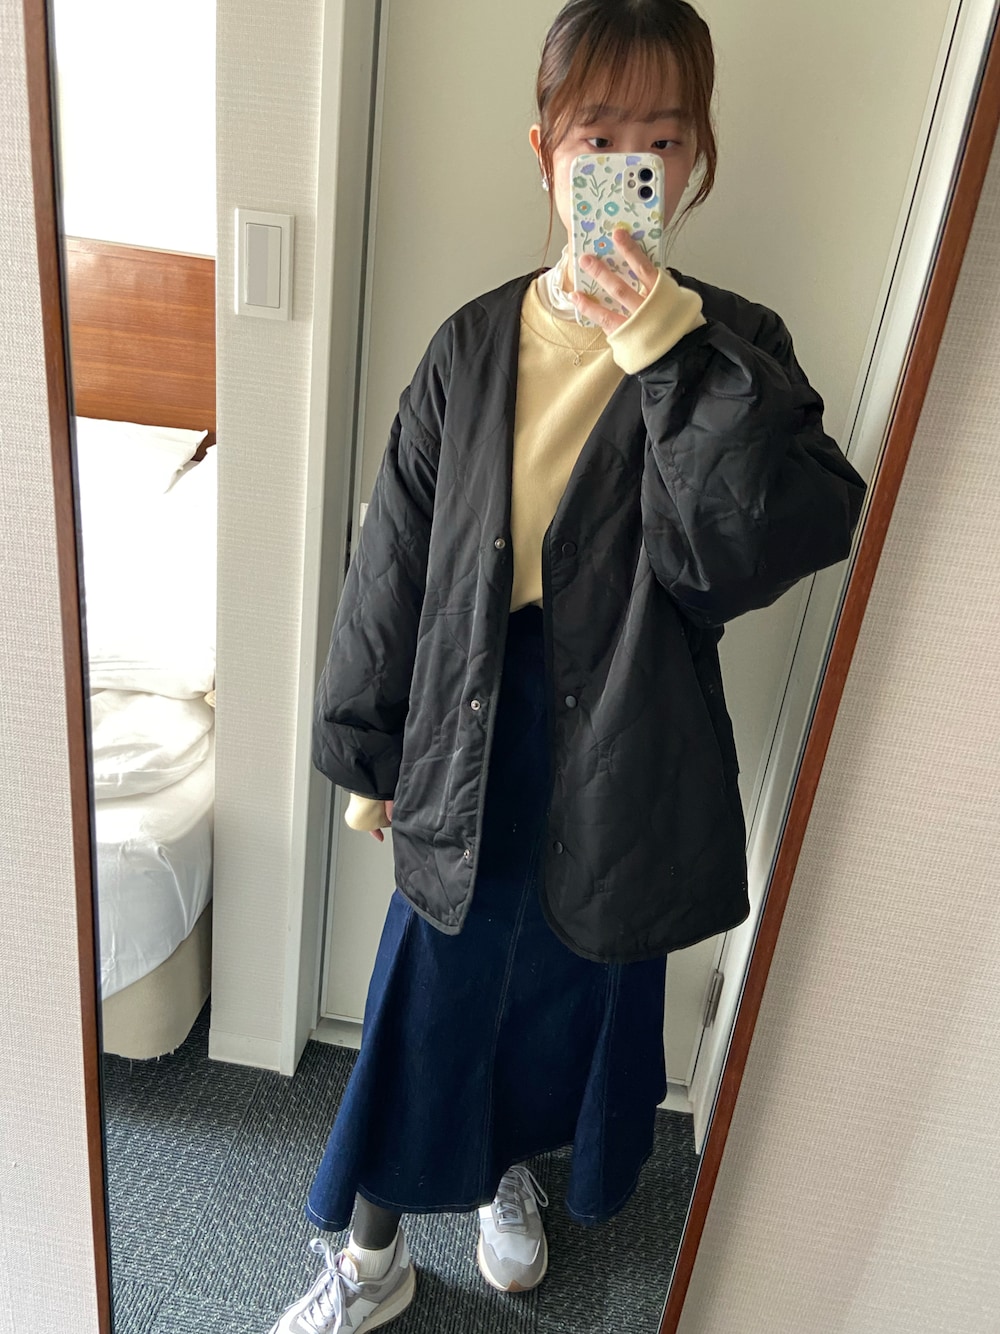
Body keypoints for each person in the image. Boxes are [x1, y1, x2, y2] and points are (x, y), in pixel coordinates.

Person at [269, 1, 867, 1330]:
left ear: (697, 157)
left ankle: (503, 1176)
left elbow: (747, 552)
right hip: (471, 720)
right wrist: (371, 748)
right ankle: (368, 1257)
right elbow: (398, 558)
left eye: (662, 138)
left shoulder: (735, 347)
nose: (630, 164)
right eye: (600, 136)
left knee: (574, 993)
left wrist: (665, 351)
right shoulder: (474, 344)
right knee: (429, 996)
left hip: (632, 737)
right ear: (544, 150)